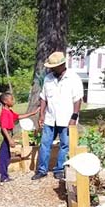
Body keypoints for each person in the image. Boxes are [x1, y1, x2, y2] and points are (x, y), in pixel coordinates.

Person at [33, 51, 84, 180]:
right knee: (45, 144)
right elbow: (43, 98)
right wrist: (41, 115)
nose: (51, 68)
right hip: (50, 118)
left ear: (61, 65)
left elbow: (77, 99)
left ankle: (59, 169)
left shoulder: (73, 78)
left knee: (65, 145)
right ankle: (42, 170)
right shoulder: (48, 78)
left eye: (53, 66)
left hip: (66, 119)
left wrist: (74, 117)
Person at [0, 92, 37, 183]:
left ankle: (5, 175)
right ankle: (3, 176)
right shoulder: (4, 113)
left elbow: (19, 117)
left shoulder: (9, 112)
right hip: (6, 137)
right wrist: (10, 139)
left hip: (8, 136)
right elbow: (3, 128)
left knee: (7, 156)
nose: (13, 101)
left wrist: (32, 113)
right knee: (4, 156)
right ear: (5, 101)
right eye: (11, 99)